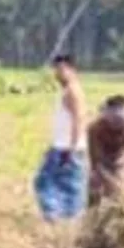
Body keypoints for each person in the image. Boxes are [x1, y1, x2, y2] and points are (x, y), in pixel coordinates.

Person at [33, 54, 88, 224]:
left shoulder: (73, 91)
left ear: (72, 70)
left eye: (62, 69)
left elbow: (79, 119)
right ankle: (62, 217)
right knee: (50, 182)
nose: (58, 73)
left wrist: (71, 148)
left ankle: (64, 218)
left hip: (68, 148)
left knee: (65, 184)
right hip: (61, 146)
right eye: (56, 69)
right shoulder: (68, 90)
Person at [86, 95, 124, 209]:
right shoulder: (94, 128)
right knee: (95, 193)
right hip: (101, 163)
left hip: (120, 162)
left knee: (119, 202)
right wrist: (107, 181)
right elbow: (95, 160)